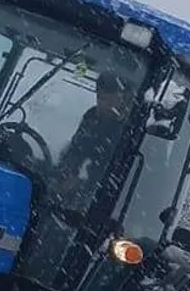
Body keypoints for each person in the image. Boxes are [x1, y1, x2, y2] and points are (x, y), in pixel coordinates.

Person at [54, 71, 132, 202]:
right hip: (75, 188)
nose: (102, 105)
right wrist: (66, 173)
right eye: (100, 98)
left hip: (102, 199)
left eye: (109, 100)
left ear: (122, 99)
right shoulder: (91, 117)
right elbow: (75, 149)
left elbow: (113, 174)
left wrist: (81, 184)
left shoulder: (128, 130)